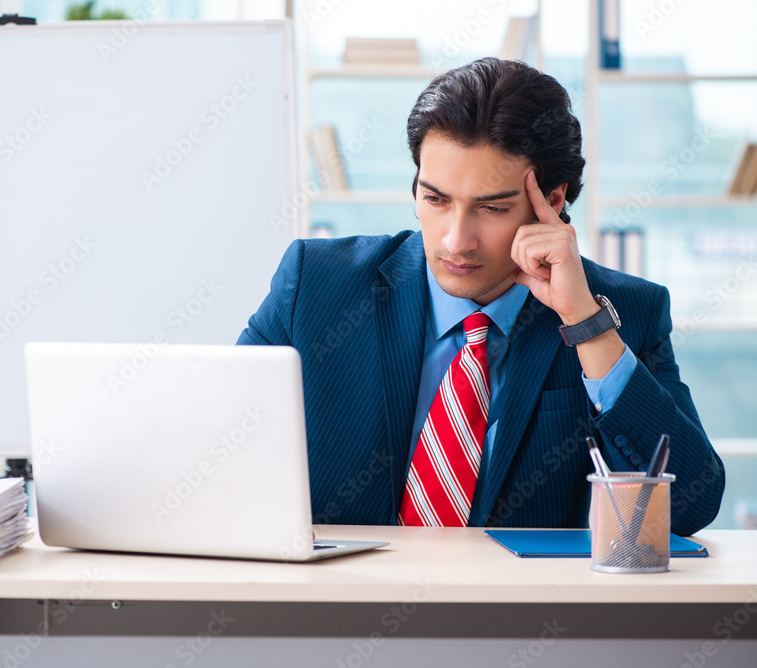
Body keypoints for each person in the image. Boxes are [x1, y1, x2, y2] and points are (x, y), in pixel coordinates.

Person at [237, 57, 724, 536]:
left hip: (515, 613)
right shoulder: (316, 287)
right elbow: (210, 451)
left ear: (551, 202)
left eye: (490, 208)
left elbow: (687, 507)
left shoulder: (624, 313)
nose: (455, 240)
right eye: (435, 199)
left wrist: (585, 324)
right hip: (333, 607)